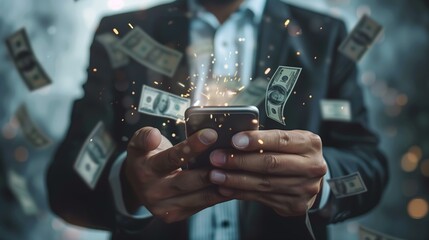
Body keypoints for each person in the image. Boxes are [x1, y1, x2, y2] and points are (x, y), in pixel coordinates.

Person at [47, 0, 389, 239]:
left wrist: (323, 183)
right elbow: (67, 182)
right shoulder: (121, 34)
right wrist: (127, 185)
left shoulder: (325, 36)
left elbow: (369, 168)